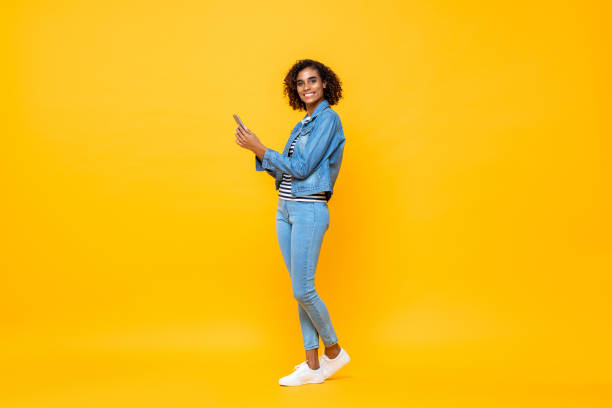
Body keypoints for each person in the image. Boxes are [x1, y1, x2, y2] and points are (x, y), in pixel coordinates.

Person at [234, 59, 350, 386]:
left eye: (313, 80)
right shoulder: (302, 125)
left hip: (309, 210)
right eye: (301, 83)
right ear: (295, 89)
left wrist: (261, 147)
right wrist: (255, 151)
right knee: (299, 291)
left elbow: (301, 168)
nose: (307, 87)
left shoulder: (328, 119)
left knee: (303, 288)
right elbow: (283, 170)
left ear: (325, 84)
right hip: (285, 209)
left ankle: (334, 350)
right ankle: (311, 366)